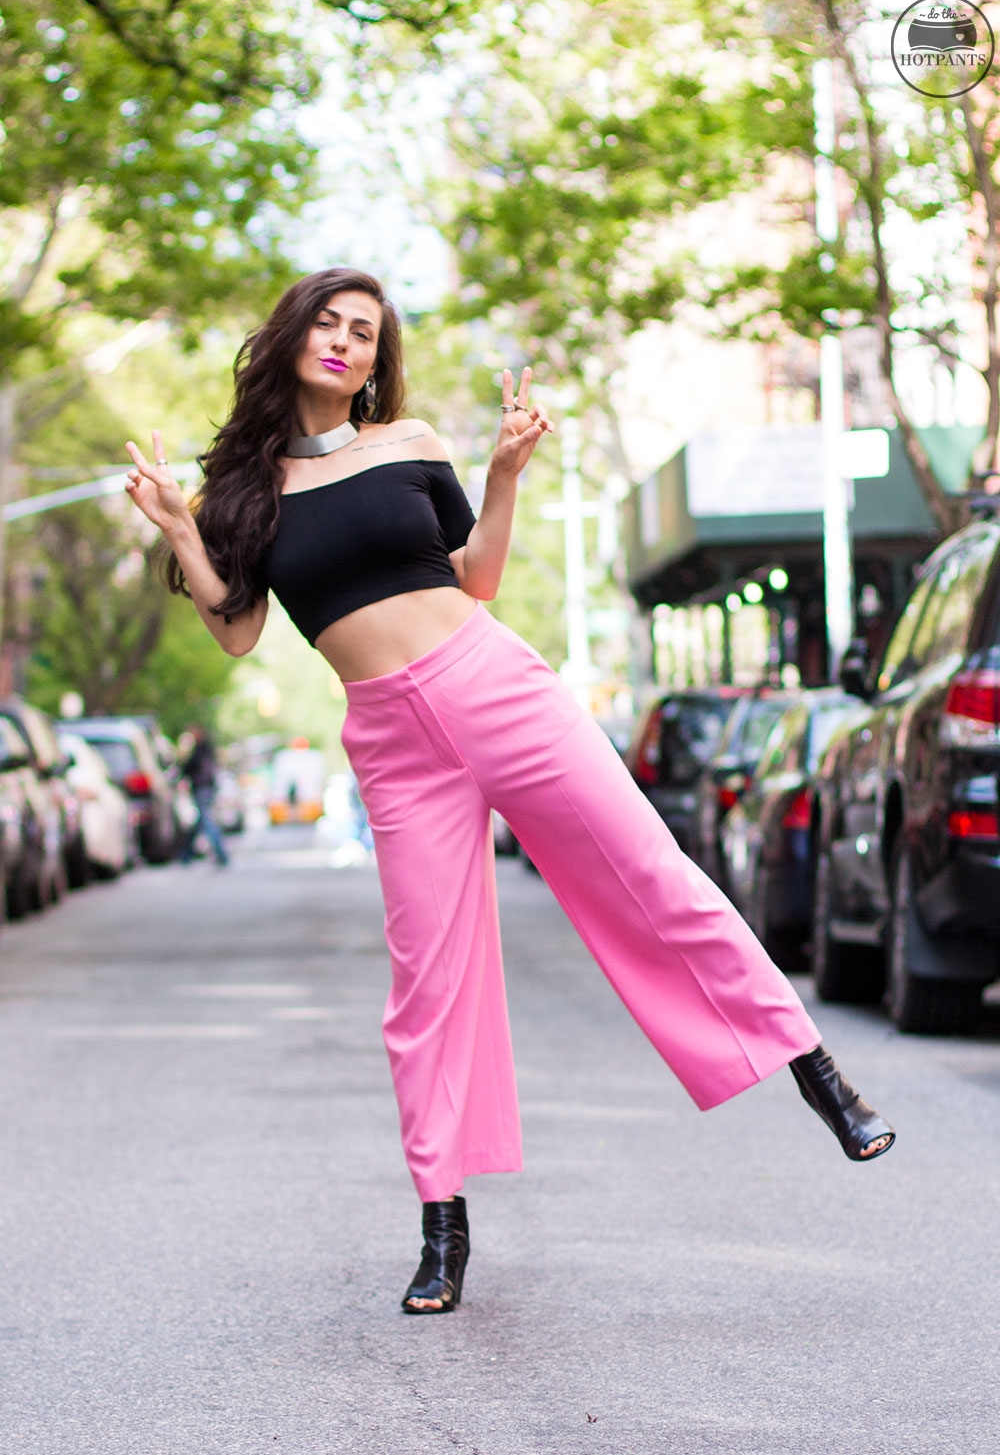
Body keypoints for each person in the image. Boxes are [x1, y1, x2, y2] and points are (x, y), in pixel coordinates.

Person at [124, 266, 894, 1317]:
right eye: (330, 323)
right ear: (294, 337)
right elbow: (239, 628)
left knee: (648, 874)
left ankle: (820, 1078)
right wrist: (178, 525)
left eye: (365, 332)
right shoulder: (247, 494)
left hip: (492, 688)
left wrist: (504, 474)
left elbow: (475, 575)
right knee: (424, 981)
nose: (346, 342)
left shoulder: (410, 444)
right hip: (391, 740)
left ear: (375, 361)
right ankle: (443, 1228)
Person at [178, 725, 230, 867]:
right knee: (200, 822)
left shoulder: (200, 750)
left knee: (207, 822)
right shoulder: (206, 750)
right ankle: (186, 854)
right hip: (206, 788)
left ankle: (221, 854)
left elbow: (188, 768)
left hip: (202, 788)